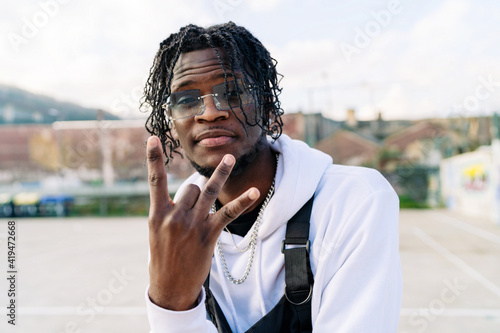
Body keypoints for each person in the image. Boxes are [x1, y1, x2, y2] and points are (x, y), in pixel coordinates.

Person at [142, 22, 401, 333]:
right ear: (172, 122)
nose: (209, 112)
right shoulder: (175, 229)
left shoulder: (353, 200)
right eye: (186, 100)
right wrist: (171, 305)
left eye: (232, 92)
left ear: (266, 106)